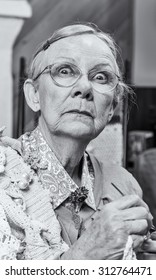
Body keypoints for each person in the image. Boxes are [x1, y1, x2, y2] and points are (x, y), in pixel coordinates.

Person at [0, 22, 156, 260]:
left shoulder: (124, 185)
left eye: (100, 77)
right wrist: (87, 253)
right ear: (34, 96)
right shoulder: (5, 182)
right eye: (64, 71)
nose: (84, 87)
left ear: (112, 107)